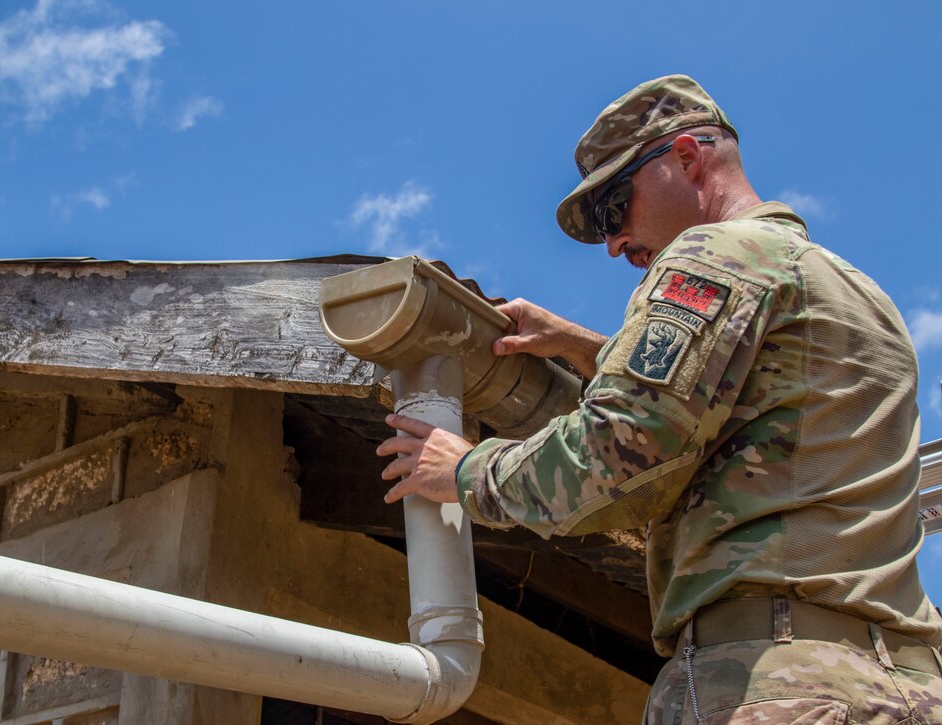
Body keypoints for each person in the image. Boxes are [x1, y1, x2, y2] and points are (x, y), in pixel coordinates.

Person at [376, 74, 942, 723]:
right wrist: (593, 348)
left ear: (687, 156)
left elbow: (620, 455)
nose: (614, 242)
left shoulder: (714, 253)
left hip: (776, 684)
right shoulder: (859, 294)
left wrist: (466, 469)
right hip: (906, 687)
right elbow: (761, 403)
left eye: (616, 206)